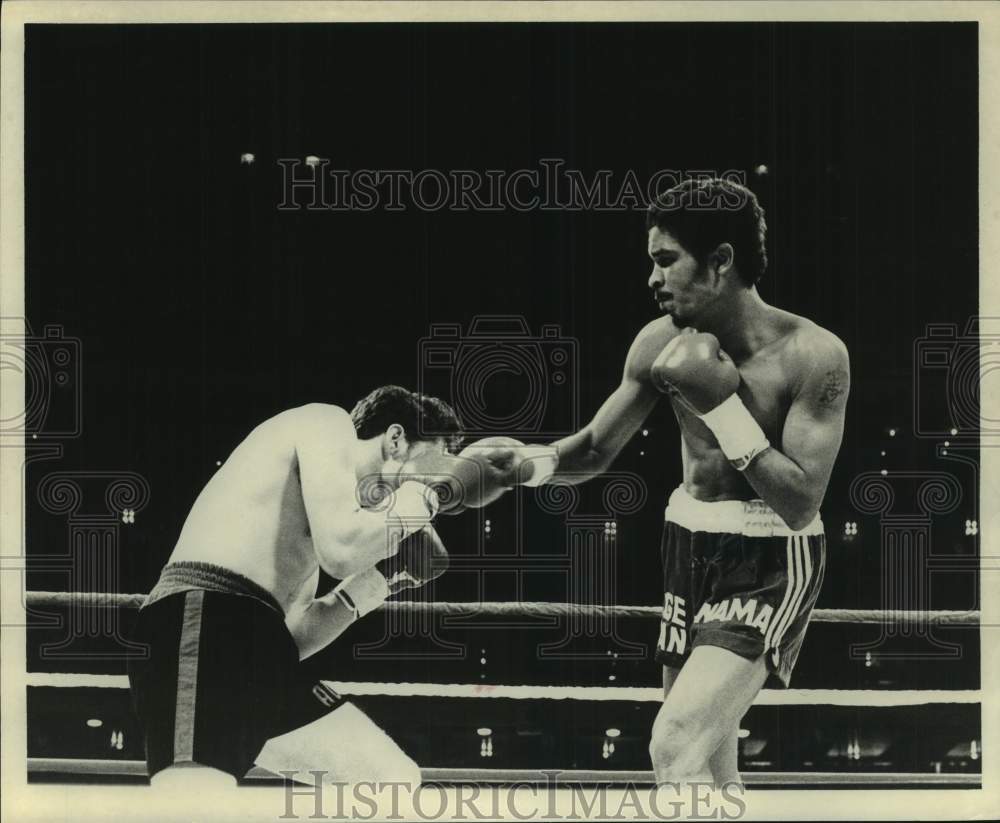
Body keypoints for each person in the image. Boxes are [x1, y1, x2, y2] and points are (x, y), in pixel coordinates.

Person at [487, 177, 850, 788]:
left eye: (665, 261)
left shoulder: (814, 355)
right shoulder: (660, 341)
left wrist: (721, 409)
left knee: (674, 742)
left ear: (721, 262)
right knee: (707, 763)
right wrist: (526, 465)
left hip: (771, 557)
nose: (652, 279)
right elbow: (597, 449)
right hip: (688, 541)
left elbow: (799, 501)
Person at [127, 385, 507, 791]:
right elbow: (343, 551)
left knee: (389, 782)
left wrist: (381, 582)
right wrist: (426, 495)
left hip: (260, 649)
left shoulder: (316, 516)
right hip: (206, 623)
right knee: (194, 803)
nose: (443, 477)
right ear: (396, 439)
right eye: (438, 462)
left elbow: (294, 637)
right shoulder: (325, 422)